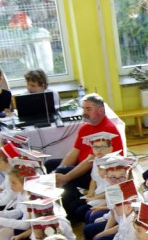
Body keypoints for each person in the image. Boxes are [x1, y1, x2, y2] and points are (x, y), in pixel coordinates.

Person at [47, 93, 124, 221]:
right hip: (84, 166)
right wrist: (59, 170)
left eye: (88, 109)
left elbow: (90, 162)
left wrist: (65, 176)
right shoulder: (85, 127)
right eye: (83, 109)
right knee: (51, 165)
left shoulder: (107, 130)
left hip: (98, 171)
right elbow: (74, 152)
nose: (84, 112)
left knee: (64, 174)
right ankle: (65, 202)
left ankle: (68, 215)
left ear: (101, 110)